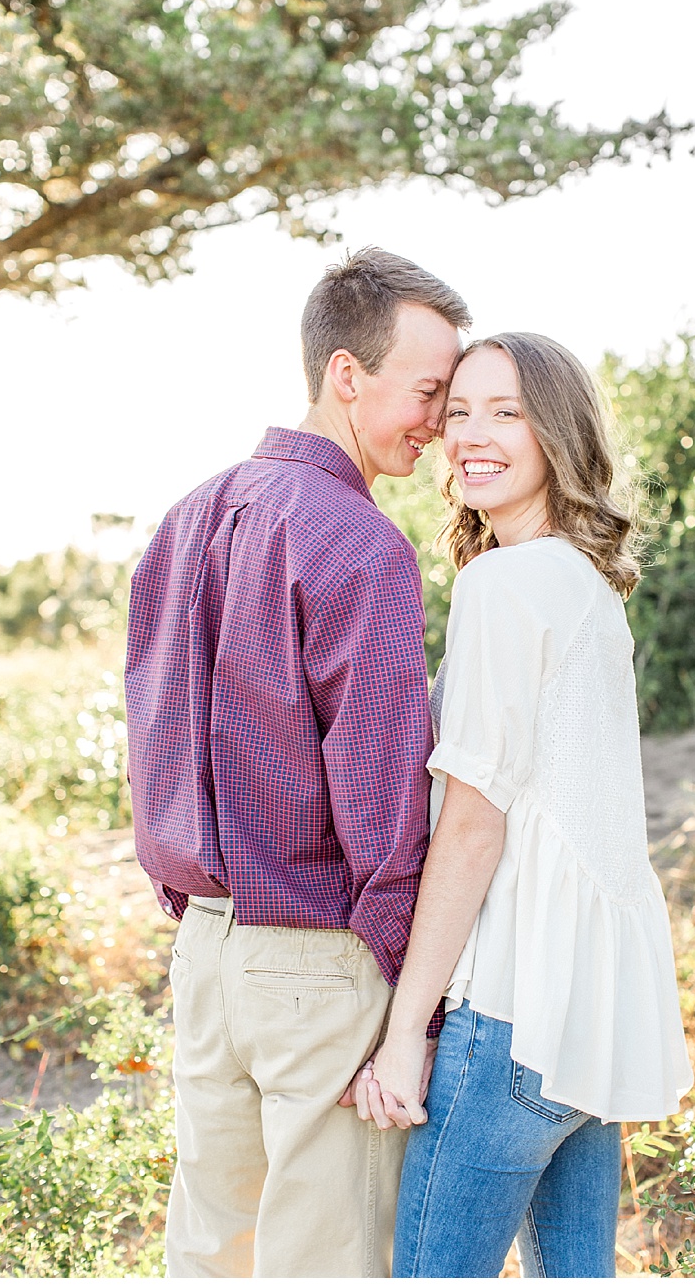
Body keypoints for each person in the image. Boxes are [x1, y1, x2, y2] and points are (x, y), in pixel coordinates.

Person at [124, 248, 468, 1275]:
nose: (441, 420)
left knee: (210, 1250)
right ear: (346, 375)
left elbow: (151, 743)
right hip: (318, 952)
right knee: (330, 1261)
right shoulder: (362, 546)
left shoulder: (180, 524)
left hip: (205, 953)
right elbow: (382, 807)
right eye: (428, 390)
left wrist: (195, 914)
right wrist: (417, 1001)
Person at [354, 332, 693, 1279]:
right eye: (457, 411)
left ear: (558, 430)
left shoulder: (506, 582)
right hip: (591, 1015)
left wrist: (405, 1033)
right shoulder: (582, 583)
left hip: (513, 1012)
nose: (471, 434)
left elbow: (472, 823)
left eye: (506, 411)